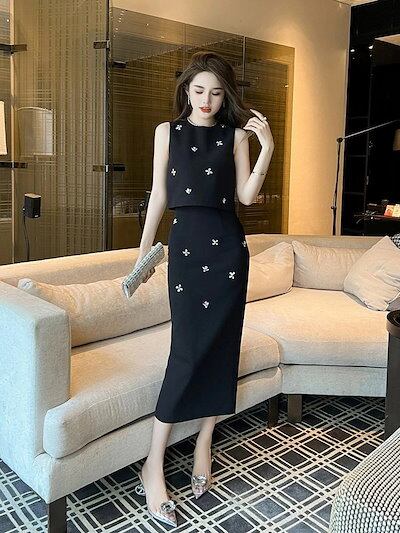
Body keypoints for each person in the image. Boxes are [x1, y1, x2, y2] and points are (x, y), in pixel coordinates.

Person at [133, 51, 274, 528]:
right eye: (198, 91)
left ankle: (204, 442)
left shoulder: (236, 136)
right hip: (187, 248)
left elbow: (247, 197)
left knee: (220, 347)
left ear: (225, 94)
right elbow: (159, 194)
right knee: (188, 351)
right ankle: (152, 464)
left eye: (215, 92)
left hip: (229, 250)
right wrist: (143, 251)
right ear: (186, 91)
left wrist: (267, 148)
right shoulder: (166, 132)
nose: (207, 100)